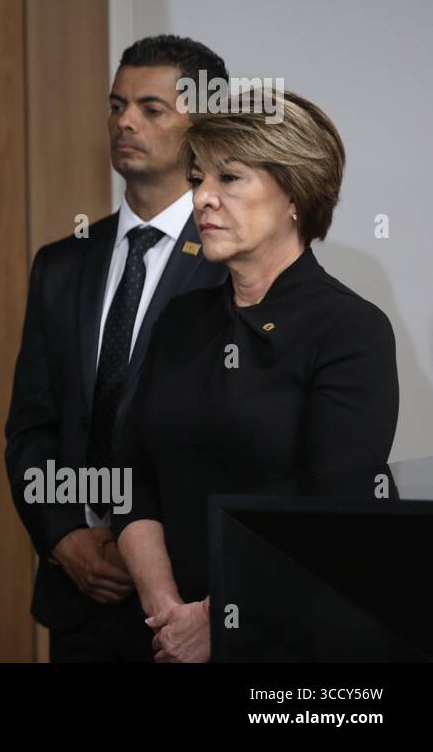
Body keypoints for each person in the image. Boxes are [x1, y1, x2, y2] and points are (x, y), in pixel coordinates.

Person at [112, 89, 399, 663]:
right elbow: (130, 476)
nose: (203, 200)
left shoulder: (350, 329)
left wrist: (219, 624)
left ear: (295, 192)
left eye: (230, 178)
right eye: (198, 179)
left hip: (293, 641)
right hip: (163, 634)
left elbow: (335, 520)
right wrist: (168, 613)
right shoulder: (183, 317)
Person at [5, 35, 230, 662]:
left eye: (151, 108)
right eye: (116, 104)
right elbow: (32, 427)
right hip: (79, 597)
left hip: (193, 602)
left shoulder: (234, 262)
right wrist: (64, 537)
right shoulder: (61, 263)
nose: (124, 121)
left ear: (203, 122)